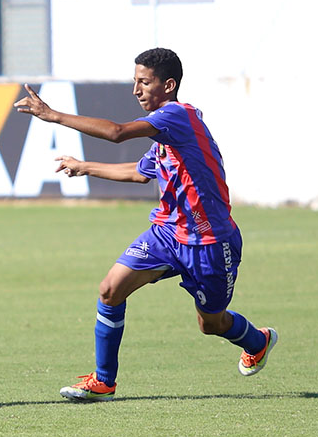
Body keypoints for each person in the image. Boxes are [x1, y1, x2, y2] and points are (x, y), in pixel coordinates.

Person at [14, 48, 276, 401]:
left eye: (144, 82)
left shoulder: (176, 117)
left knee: (210, 324)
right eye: (134, 81)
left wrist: (53, 115)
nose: (136, 90)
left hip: (211, 242)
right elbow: (140, 173)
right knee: (110, 289)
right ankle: (104, 381)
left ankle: (258, 341)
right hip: (167, 233)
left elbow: (118, 132)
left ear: (168, 85)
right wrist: (85, 166)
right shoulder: (165, 134)